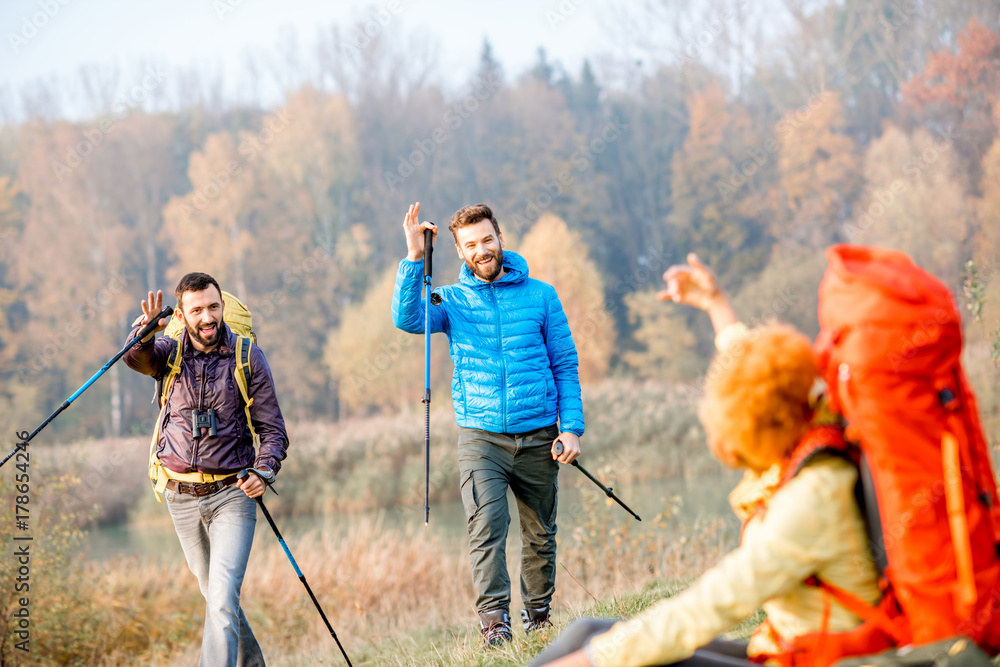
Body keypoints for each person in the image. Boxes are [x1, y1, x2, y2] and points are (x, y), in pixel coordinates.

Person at [528, 254, 880, 667]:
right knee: (587, 631)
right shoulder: (813, 416)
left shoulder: (809, 500)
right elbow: (754, 368)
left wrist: (590, 662)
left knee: (612, 654)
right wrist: (716, 305)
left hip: (823, 660)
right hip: (791, 648)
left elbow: (706, 608)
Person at [392, 202, 585, 646]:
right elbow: (407, 318)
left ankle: (538, 618)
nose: (482, 250)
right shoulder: (449, 299)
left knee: (540, 534)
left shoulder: (542, 296)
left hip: (539, 434)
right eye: (471, 245)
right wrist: (413, 257)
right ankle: (495, 626)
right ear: (460, 251)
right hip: (481, 437)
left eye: (487, 240)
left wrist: (570, 427)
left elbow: (565, 364)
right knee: (486, 529)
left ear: (500, 238)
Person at [124, 272, 289, 667]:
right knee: (217, 597)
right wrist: (144, 334)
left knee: (220, 600)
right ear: (182, 313)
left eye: (213, 307)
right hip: (181, 496)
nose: (207, 317)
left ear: (223, 307)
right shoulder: (169, 351)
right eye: (196, 310)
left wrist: (263, 470)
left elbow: (273, 431)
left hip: (233, 494)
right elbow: (137, 359)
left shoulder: (247, 355)